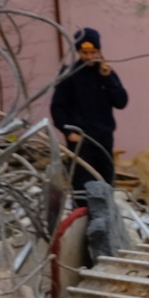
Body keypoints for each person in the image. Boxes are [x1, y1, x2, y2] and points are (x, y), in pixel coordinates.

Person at [49, 27, 128, 189]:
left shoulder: (106, 72)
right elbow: (57, 107)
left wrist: (109, 80)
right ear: (78, 52)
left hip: (103, 138)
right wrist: (68, 132)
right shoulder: (69, 74)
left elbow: (121, 102)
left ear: (99, 51)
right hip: (80, 141)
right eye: (85, 53)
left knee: (105, 182)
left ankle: (105, 213)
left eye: (93, 52)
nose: (90, 57)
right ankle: (83, 213)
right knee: (82, 184)